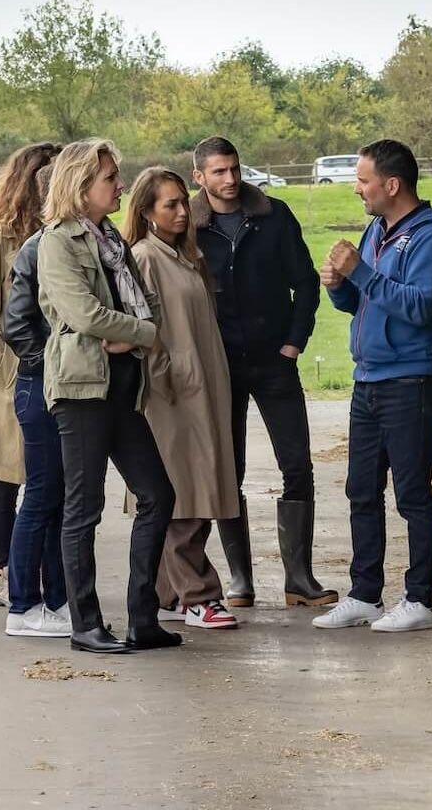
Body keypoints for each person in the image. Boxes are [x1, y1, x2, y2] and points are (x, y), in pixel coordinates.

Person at [35, 140, 180, 655]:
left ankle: (142, 618)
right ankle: (86, 624)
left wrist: (137, 332)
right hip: (81, 388)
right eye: (110, 178)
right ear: (80, 185)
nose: (119, 184)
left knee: (158, 494)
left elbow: (145, 307)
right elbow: (85, 316)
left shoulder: (111, 238)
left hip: (121, 384)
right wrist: (141, 332)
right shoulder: (57, 241)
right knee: (84, 508)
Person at [314, 139, 432, 634]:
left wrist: (359, 271)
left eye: (363, 180)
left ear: (391, 185)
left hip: (411, 380)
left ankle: (420, 600)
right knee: (361, 490)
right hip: (368, 379)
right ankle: (364, 595)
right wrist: (340, 286)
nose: (357, 189)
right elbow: (364, 304)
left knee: (412, 494)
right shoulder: (377, 229)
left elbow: (419, 307)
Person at [191, 137, 335, 608]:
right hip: (221, 365)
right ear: (200, 177)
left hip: (276, 361)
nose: (230, 179)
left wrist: (295, 341)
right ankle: (240, 580)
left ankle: (300, 579)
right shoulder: (187, 225)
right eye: (218, 172)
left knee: (296, 464)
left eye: (233, 169)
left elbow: (306, 282)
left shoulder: (275, 216)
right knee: (228, 469)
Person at [123, 168, 242, 630]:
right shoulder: (145, 258)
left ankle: (166, 592)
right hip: (169, 394)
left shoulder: (186, 256)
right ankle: (198, 594)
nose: (180, 212)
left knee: (205, 487)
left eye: (181, 203)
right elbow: (146, 331)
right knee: (182, 495)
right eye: (168, 204)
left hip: (203, 390)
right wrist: (163, 379)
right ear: (146, 212)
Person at [0, 142, 61, 604]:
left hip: (54, 376)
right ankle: (2, 571)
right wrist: (11, 372)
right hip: (9, 377)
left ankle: (39, 570)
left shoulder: (65, 232)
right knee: (5, 479)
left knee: (45, 480)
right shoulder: (1, 236)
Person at [0, 163, 71, 639]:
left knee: (61, 499)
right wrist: (51, 364)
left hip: (61, 385)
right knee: (42, 496)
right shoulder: (37, 248)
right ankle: (23, 604)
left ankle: (58, 600)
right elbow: (15, 324)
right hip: (40, 384)